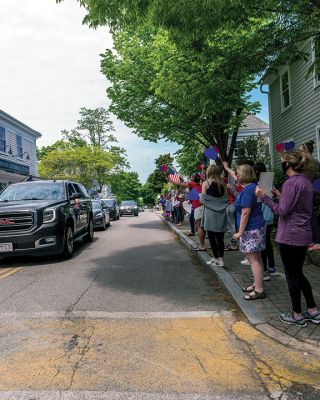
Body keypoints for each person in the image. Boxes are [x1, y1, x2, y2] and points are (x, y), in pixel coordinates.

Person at [256, 149, 320, 326]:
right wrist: (280, 196)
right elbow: (296, 205)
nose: (281, 163)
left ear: (289, 164)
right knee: (299, 274)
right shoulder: (305, 181)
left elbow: (282, 211)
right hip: (303, 234)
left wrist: (265, 197)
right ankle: (313, 310)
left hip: (289, 236)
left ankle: (297, 315)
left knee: (292, 276)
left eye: (283, 160)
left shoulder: (291, 183)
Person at [233, 164, 266, 300]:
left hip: (251, 228)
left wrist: (240, 232)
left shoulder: (247, 191)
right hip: (258, 225)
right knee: (257, 258)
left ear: (244, 175)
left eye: (238, 174)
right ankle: (257, 284)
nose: (237, 176)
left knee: (253, 259)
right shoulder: (254, 186)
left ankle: (258, 289)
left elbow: (246, 213)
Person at [169, 173, 206, 251]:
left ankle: (202, 246)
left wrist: (171, 180)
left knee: (199, 227)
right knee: (202, 227)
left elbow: (179, 183)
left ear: (193, 179)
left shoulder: (192, 184)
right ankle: (202, 244)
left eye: (192, 177)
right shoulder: (200, 185)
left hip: (197, 208)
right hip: (203, 207)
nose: (190, 178)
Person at [201, 165, 228, 267]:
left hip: (210, 213)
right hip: (221, 212)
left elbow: (203, 199)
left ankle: (216, 258)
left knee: (212, 238)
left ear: (208, 172)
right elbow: (225, 198)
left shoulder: (205, 183)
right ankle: (221, 259)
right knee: (220, 238)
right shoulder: (223, 183)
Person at [253, 162, 277, 279]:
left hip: (262, 217)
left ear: (256, 172)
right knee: (267, 243)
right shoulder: (269, 182)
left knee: (262, 245)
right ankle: (271, 267)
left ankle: (264, 271)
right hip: (269, 216)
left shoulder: (258, 185)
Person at [300, 140, 320, 251]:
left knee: (309, 216)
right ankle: (314, 240)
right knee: (311, 215)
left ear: (306, 151)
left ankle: (315, 241)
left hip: (306, 191)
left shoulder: (306, 161)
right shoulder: (315, 161)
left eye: (301, 150)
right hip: (313, 191)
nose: (300, 152)